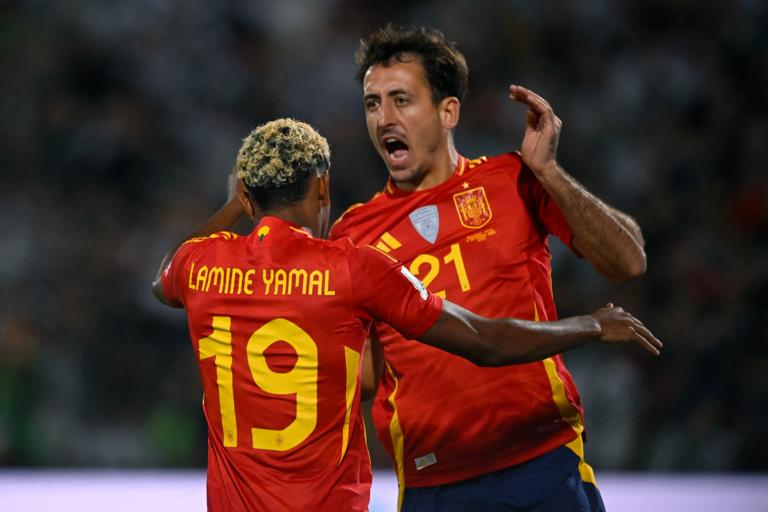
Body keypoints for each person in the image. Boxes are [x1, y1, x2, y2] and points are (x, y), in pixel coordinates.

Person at [152, 118, 660, 511]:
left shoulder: (202, 265)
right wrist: (589, 325)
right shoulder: (351, 267)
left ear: (245, 194)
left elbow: (163, 278)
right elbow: (484, 340)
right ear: (323, 188)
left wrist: (233, 207)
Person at [329, 25, 650, 511]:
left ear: (448, 111)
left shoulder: (511, 180)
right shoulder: (353, 234)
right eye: (373, 104)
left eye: (401, 99)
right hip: (434, 481)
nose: (384, 118)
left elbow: (628, 260)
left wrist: (548, 171)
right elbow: (365, 375)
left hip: (541, 463)